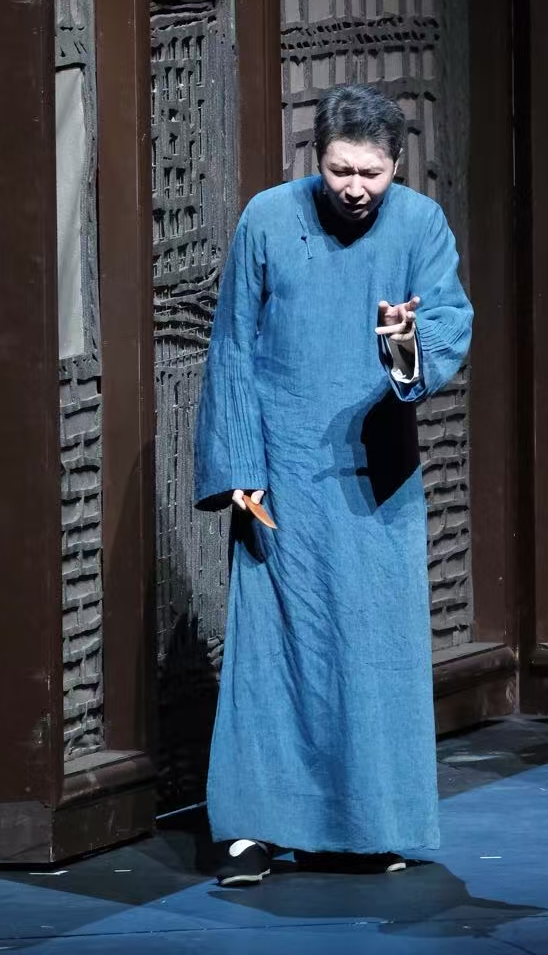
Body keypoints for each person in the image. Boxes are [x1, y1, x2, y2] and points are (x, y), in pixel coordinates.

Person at [193, 84, 473, 885]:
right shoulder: (268, 218)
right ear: (315, 157)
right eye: (340, 169)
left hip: (374, 468)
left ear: (397, 165)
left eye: (371, 173)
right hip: (281, 468)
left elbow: (446, 326)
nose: (355, 187)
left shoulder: (420, 224)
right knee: (274, 648)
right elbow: (233, 343)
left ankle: (367, 825)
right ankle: (253, 827)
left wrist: (404, 343)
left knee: (376, 646)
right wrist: (240, 465)